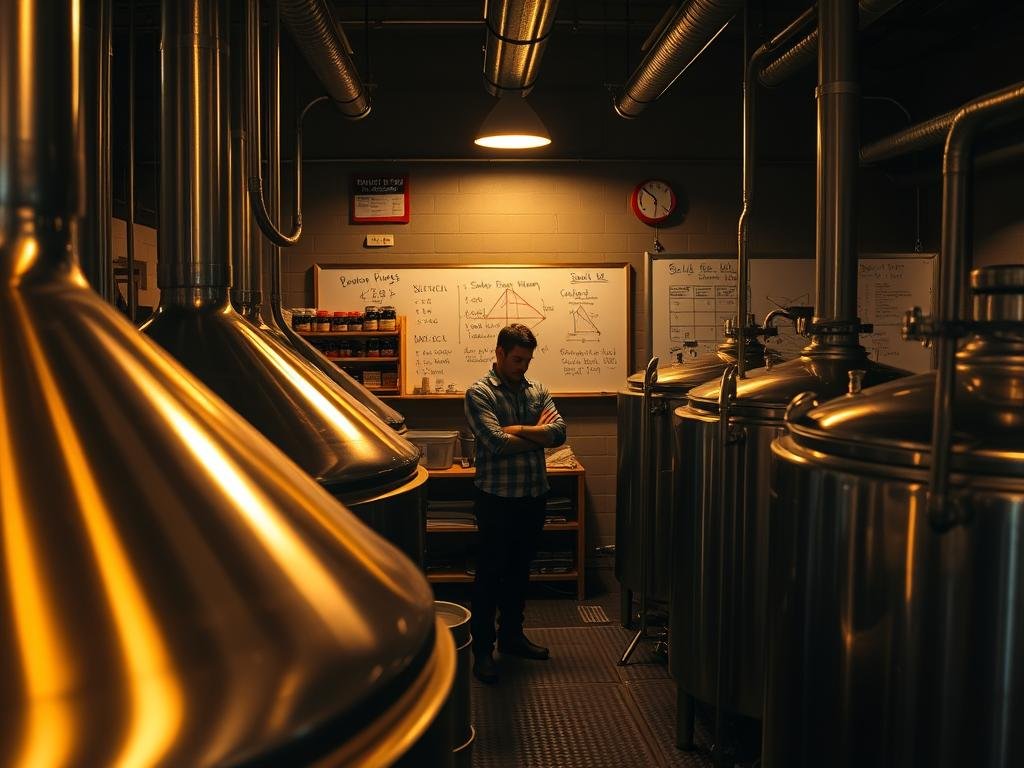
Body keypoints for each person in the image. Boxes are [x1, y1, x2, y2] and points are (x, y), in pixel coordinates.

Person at [464, 323, 567, 684]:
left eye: (527, 360)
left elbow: (559, 433)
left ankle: (511, 638)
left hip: (532, 495)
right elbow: (495, 443)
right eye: (517, 359)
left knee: (520, 572)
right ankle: (482, 651)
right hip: (496, 499)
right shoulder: (479, 393)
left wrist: (518, 430)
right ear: (500, 353)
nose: (523, 366)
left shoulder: (537, 389)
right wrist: (533, 433)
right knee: (490, 575)